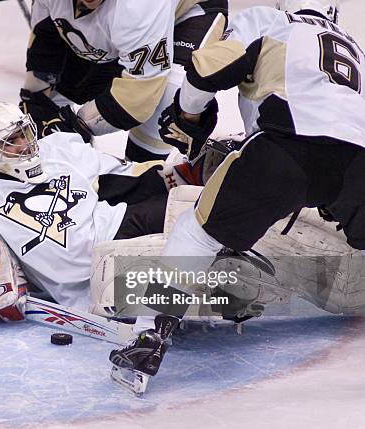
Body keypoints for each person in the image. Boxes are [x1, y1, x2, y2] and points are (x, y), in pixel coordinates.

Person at [109, 0, 365, 394]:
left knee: (197, 233)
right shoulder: (355, 47)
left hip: (288, 143)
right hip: (358, 158)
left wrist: (187, 113)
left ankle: (150, 337)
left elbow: (206, 67)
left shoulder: (270, 21)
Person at [0, 99, 182, 311]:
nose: (26, 143)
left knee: (193, 213)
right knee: (208, 286)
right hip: (94, 281)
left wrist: (183, 174)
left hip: (120, 222)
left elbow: (127, 174)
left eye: (25, 132)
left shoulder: (55, 149)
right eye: (12, 140)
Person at [19, 0, 228, 162]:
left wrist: (77, 126)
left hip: (189, 12)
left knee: (169, 100)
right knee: (46, 107)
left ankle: (149, 192)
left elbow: (140, 96)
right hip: (124, 25)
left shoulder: (137, 7)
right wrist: (37, 101)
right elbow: (46, 40)